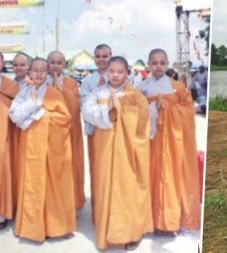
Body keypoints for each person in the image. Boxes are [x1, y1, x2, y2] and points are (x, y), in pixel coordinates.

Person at [81, 56, 153, 250]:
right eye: (111, 71)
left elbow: (143, 122)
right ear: (107, 72)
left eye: (120, 71)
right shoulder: (98, 92)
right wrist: (108, 109)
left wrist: (123, 112)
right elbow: (86, 111)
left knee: (127, 187)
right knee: (104, 184)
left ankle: (130, 232)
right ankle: (105, 226)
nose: (115, 75)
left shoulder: (135, 95)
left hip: (128, 150)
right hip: (103, 148)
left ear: (127, 72)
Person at [9, 58, 76, 241]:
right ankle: (31, 226)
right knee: (31, 183)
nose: (38, 73)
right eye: (35, 70)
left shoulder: (54, 93)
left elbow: (64, 119)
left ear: (47, 73)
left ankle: (55, 226)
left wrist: (40, 114)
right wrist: (33, 105)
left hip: (49, 148)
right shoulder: (23, 92)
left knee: (52, 184)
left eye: (42, 70)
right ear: (29, 72)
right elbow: (14, 116)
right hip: (29, 145)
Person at [139, 49, 201, 235]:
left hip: (172, 140)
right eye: (154, 63)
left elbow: (188, 111)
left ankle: (170, 222)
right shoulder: (142, 87)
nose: (158, 66)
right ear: (148, 65)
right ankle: (150, 220)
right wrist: (150, 106)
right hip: (150, 139)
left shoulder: (178, 87)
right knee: (151, 175)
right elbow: (134, 111)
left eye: (162, 63)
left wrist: (168, 108)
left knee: (171, 177)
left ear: (167, 64)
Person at [47, 50, 85, 211]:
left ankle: (71, 202)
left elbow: (76, 106)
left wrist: (61, 89)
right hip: (47, 131)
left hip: (68, 131)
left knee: (68, 166)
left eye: (59, 62)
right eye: (52, 62)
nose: (55, 66)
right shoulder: (41, 80)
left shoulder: (71, 83)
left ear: (64, 64)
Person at [79, 43, 112, 223]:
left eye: (105, 56)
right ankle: (99, 210)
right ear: (94, 58)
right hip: (96, 131)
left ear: (110, 56)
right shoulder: (88, 80)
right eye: (98, 57)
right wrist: (96, 89)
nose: (101, 60)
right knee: (98, 170)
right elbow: (83, 104)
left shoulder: (118, 75)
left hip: (115, 133)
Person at [0, 49, 19, 230]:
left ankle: (1, 213)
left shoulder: (10, 85)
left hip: (2, 133)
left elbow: (16, 107)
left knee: (1, 169)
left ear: (3, 64)